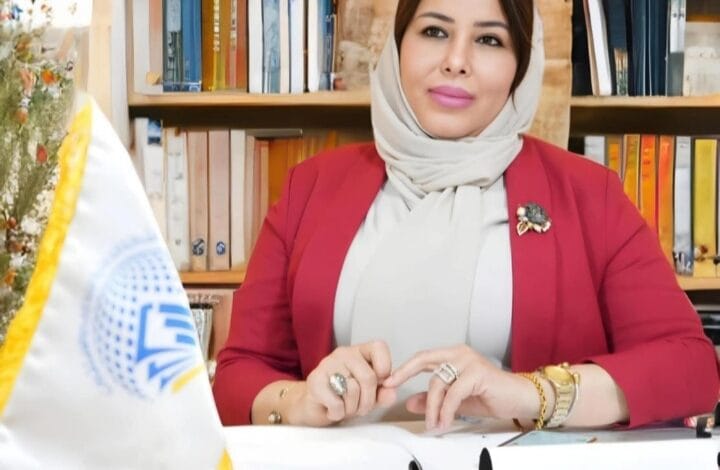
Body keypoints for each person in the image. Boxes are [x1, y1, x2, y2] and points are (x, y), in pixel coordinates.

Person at [213, 0, 719, 431]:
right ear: (397, 46)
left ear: (521, 66)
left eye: (489, 40)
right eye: (434, 32)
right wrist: (300, 400)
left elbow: (691, 369)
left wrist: (531, 392)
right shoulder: (311, 187)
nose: (456, 62)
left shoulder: (589, 195)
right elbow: (238, 374)